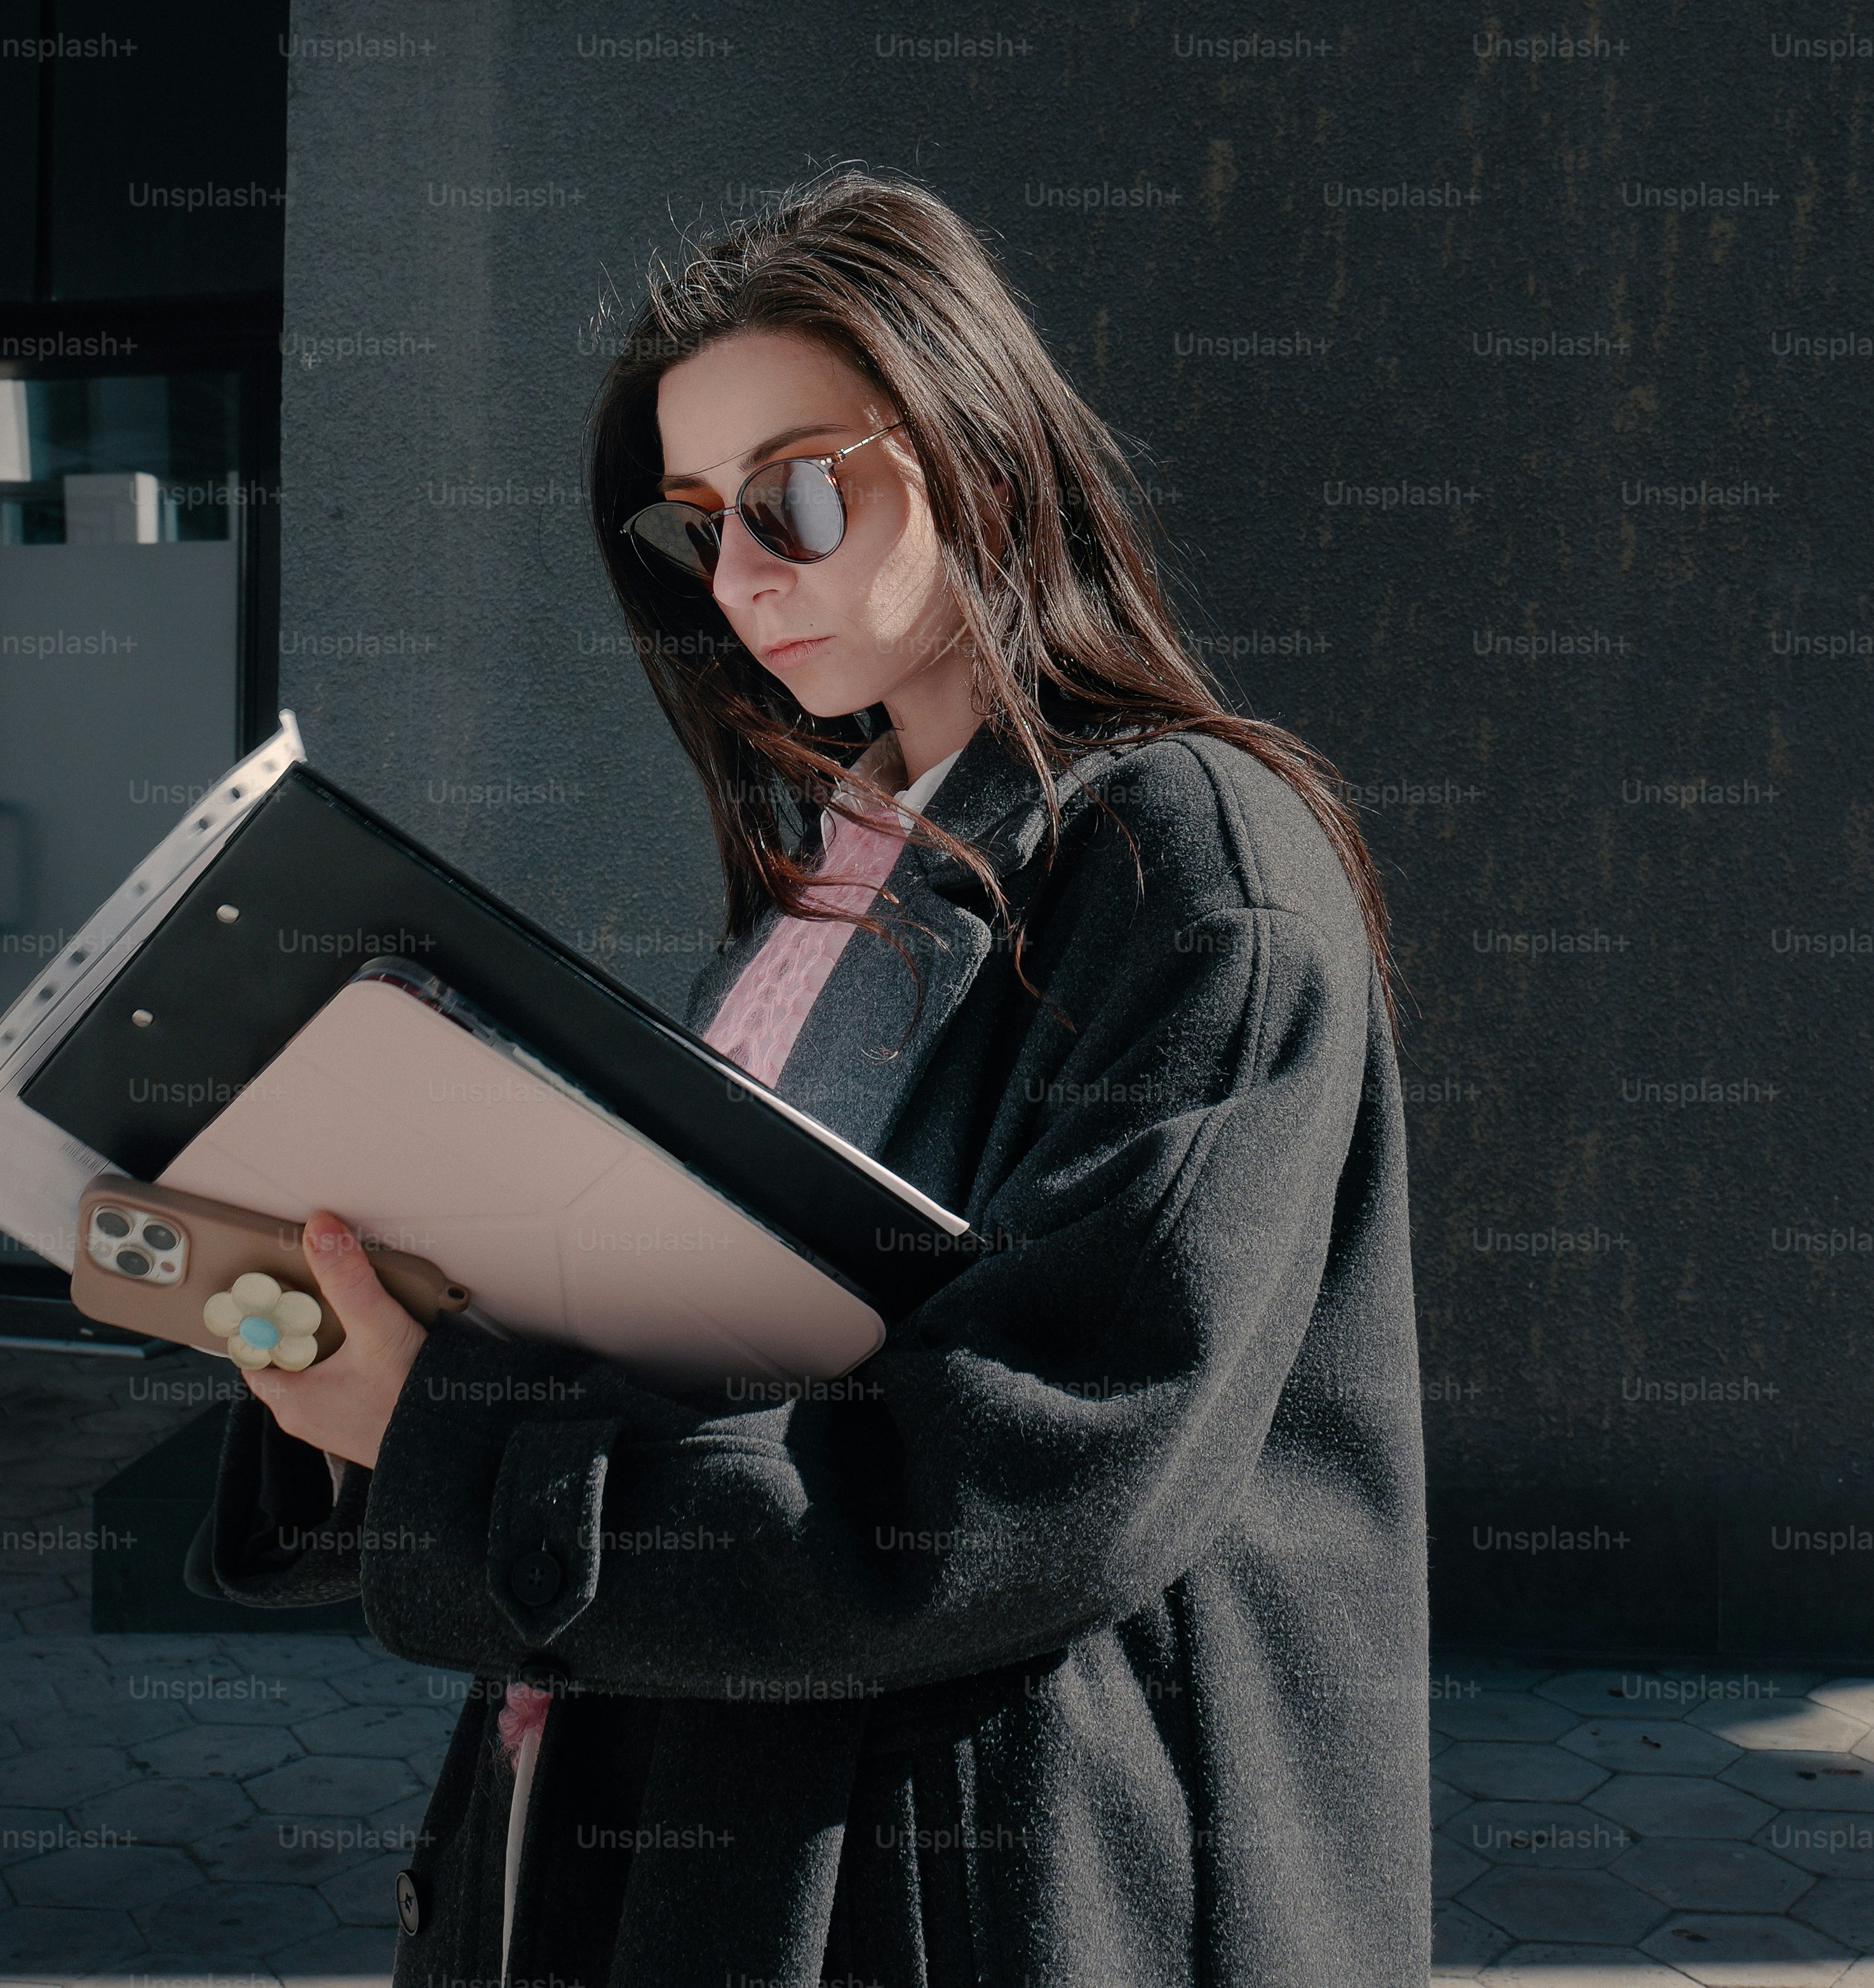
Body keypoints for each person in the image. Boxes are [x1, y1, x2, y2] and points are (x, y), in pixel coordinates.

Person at [189, 166, 1429, 1987]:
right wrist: (377, 1364)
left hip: (982, 1888)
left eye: (796, 495)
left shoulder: (1192, 873)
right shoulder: (843, 871)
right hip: (666, 1823)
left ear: (979, 449)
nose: (742, 576)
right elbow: (687, 1353)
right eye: (697, 525)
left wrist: (458, 1445)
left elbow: (1024, 1480)